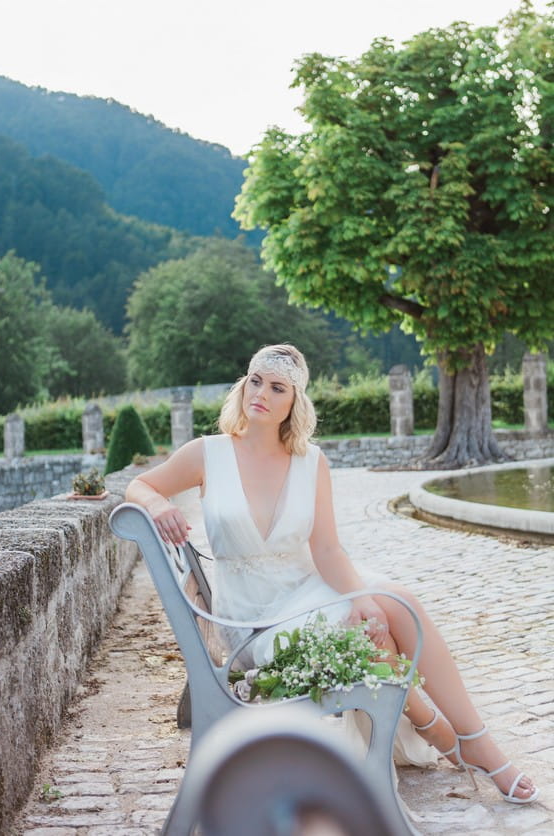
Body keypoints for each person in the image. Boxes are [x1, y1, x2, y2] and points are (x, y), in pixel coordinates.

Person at [125, 343, 539, 805]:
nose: (260, 393)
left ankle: (475, 739)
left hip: (307, 586)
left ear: (293, 402)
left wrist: (360, 595)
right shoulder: (208, 453)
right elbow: (139, 484)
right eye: (255, 381)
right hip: (254, 619)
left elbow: (326, 548)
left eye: (277, 387)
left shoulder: (311, 461)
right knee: (368, 626)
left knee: (396, 604)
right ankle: (444, 736)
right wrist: (158, 503)